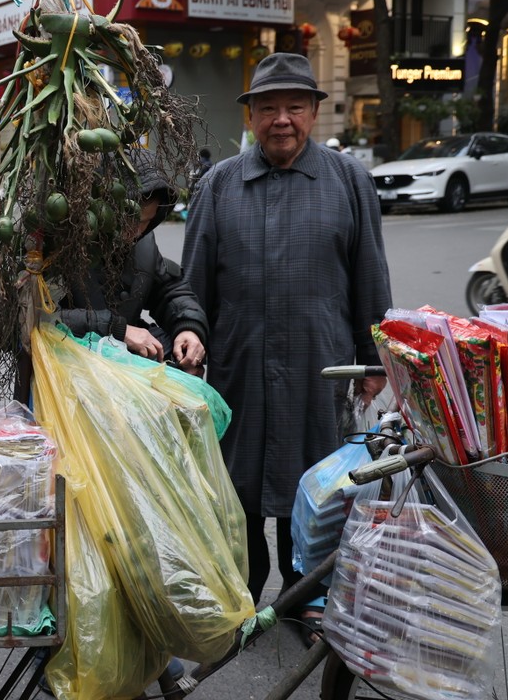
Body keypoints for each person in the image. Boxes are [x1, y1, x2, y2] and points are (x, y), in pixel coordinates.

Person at [181, 53, 392, 632]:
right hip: (239, 366)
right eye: (268, 108)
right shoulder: (218, 185)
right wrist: (190, 335)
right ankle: (245, 593)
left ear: (313, 113)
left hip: (319, 365)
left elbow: (370, 276)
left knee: (319, 484)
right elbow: (192, 286)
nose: (282, 120)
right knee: (240, 485)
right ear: (250, 117)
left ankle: (307, 598)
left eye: (294, 107)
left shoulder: (349, 181)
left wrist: (374, 359)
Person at [59, 149, 207, 374]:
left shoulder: (143, 241)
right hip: (70, 375)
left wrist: (188, 329)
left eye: (146, 221)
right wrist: (117, 329)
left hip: (125, 379)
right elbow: (41, 319)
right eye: (129, 220)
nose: (135, 232)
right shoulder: (60, 243)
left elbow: (169, 290)